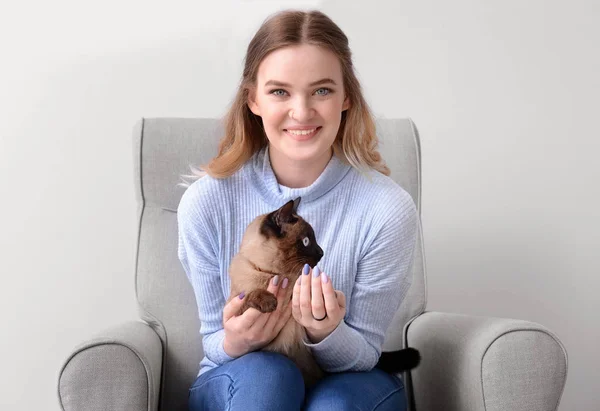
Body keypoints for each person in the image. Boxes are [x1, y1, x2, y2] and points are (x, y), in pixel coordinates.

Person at [177, 9, 418, 411]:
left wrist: (326, 333)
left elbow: (363, 353)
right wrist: (239, 339)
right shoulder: (207, 201)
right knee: (269, 381)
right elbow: (212, 343)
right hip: (245, 379)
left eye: (322, 90)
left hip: (345, 381)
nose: (302, 112)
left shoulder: (386, 209)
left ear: (346, 98)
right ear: (252, 98)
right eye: (279, 91)